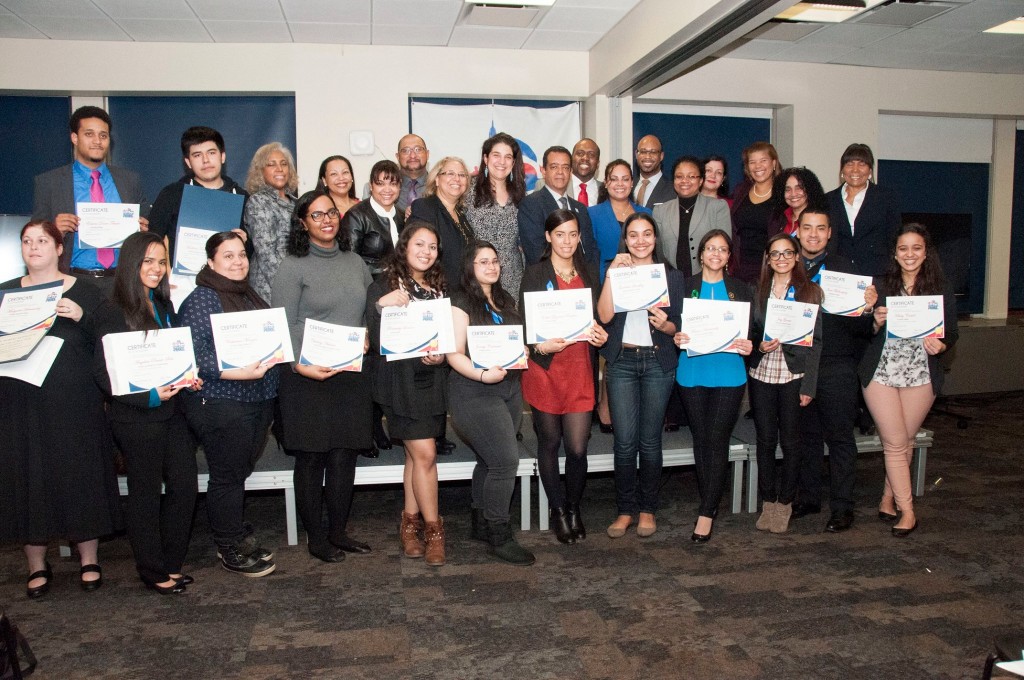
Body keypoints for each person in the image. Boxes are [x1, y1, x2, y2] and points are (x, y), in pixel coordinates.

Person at [1, 220, 122, 599]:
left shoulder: (84, 291)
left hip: (74, 401)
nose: (34, 246)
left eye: (42, 240)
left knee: (79, 473)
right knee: (28, 477)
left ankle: (89, 559)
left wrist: (83, 317)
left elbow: (112, 338)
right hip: (20, 402)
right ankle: (37, 565)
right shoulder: (5, 293)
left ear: (58, 248)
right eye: (27, 240)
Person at [271, 191, 374, 563]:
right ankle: (316, 538)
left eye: (331, 212)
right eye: (317, 215)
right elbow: (284, 322)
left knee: (345, 455)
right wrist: (299, 364)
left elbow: (365, 309)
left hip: (349, 373)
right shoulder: (292, 266)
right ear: (303, 223)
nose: (327, 219)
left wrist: (366, 333)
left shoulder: (355, 261)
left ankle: (338, 532)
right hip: (306, 375)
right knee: (312, 458)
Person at [94, 232, 199, 594]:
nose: (156, 269)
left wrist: (188, 376)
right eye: (148, 261)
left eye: (162, 262)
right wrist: (150, 396)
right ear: (131, 264)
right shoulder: (111, 311)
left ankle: (171, 562)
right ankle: (152, 570)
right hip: (136, 417)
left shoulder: (163, 305)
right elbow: (104, 373)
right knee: (145, 494)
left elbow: (172, 355)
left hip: (172, 412)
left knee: (185, 486)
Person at [178, 231, 278, 577]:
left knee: (237, 473)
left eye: (242, 255)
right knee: (227, 476)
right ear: (211, 262)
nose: (238, 262)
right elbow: (195, 356)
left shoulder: (248, 293)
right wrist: (239, 373)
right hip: (221, 402)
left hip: (256, 399)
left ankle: (234, 536)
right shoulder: (201, 300)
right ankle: (229, 547)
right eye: (228, 256)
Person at [859, 223, 958, 538]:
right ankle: (908, 511)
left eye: (916, 248)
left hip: (921, 374)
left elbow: (951, 333)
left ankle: (887, 499)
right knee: (895, 442)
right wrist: (874, 321)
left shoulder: (940, 287)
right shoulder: (880, 285)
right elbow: (862, 332)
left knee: (905, 440)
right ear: (895, 253)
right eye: (903, 248)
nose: (910, 254)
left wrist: (941, 345)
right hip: (881, 373)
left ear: (926, 252)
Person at [519, 209, 608, 544]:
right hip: (546, 369)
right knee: (549, 442)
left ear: (579, 236)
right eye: (560, 234)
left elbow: (598, 318)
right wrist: (539, 346)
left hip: (580, 368)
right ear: (548, 237)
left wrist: (601, 334)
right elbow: (524, 325)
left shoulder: (588, 271)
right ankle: (558, 511)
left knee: (577, 448)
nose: (567, 241)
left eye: (573, 234)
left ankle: (574, 507)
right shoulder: (534, 273)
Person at [445, 240, 535, 565]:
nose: (491, 266)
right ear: (469, 267)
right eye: (483, 261)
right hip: (474, 391)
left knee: (488, 460)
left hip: (509, 390)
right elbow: (453, 353)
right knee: (505, 463)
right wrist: (482, 375)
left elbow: (514, 341)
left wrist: (522, 351)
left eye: (495, 261)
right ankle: (499, 534)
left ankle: (480, 522)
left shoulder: (505, 298)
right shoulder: (459, 301)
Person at [366, 220, 449, 565]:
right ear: (404, 246)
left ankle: (409, 525)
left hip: (431, 382)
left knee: (416, 458)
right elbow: (372, 339)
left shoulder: (439, 288)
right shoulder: (383, 284)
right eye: (419, 244)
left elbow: (444, 337)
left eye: (432, 246)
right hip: (398, 384)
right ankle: (434, 532)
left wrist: (441, 355)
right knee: (426, 454)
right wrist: (381, 307)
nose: (426, 252)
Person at [597, 213, 684, 539]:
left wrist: (667, 326)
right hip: (622, 362)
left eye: (647, 234)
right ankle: (625, 510)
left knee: (649, 441)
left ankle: (647, 509)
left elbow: (679, 323)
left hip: (657, 363)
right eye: (633, 235)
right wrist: (610, 275)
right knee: (623, 442)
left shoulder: (671, 276)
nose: (640, 241)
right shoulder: (616, 273)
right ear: (625, 240)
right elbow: (604, 316)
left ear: (655, 238)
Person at [794, 207, 877, 533]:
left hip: (836, 362)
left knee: (841, 437)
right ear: (798, 230)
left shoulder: (845, 270)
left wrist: (866, 308)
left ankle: (842, 507)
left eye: (820, 228)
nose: (813, 234)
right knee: (807, 435)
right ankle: (809, 497)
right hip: (799, 362)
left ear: (829, 233)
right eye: (807, 228)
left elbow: (862, 328)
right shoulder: (788, 265)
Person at [673, 229, 753, 542]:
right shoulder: (685, 286)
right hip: (692, 371)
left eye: (722, 249)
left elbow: (750, 331)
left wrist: (749, 344)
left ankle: (707, 511)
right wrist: (677, 335)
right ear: (701, 253)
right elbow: (674, 324)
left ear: (729, 256)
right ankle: (710, 500)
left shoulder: (740, 289)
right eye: (710, 248)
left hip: (729, 373)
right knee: (701, 438)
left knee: (717, 440)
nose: (716, 254)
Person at [749, 233, 824, 535]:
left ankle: (786, 502)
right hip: (762, 373)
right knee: (765, 440)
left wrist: (809, 386)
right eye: (775, 254)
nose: (782, 259)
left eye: (788, 253)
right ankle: (769, 501)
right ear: (768, 259)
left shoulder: (810, 292)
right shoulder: (757, 291)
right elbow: (749, 332)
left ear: (796, 257)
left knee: (792, 442)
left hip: (794, 375)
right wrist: (758, 345)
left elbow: (817, 342)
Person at [31, 105, 148, 294]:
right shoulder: (49, 183)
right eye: (89, 134)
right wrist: (54, 230)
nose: (97, 141)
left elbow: (148, 232)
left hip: (122, 282)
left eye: (103, 135)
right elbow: (33, 239)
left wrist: (143, 231)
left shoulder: (130, 181)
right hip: (73, 281)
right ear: (74, 138)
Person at [148, 126, 250, 264]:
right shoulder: (172, 194)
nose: (205, 160)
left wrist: (245, 243)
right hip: (181, 276)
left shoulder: (242, 198)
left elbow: (255, 253)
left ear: (222, 156)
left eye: (211, 153)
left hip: (229, 276)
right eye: (197, 155)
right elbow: (152, 242)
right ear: (188, 162)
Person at [464, 132, 527, 299]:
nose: (502, 162)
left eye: (508, 157)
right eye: (496, 155)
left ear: (514, 162)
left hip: (513, 276)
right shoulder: (468, 189)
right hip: (477, 274)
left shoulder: (520, 194)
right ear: (485, 158)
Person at [827, 143, 901, 278]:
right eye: (849, 164)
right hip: (839, 275)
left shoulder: (886, 198)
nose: (855, 170)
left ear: (870, 171)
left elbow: (894, 238)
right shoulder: (828, 200)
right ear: (842, 170)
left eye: (862, 164)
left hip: (877, 274)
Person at [518, 145, 598, 268]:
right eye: (554, 167)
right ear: (543, 171)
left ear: (570, 172)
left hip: (584, 277)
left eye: (565, 167)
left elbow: (590, 249)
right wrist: (568, 275)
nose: (560, 172)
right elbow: (535, 253)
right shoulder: (530, 205)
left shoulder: (580, 208)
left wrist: (589, 275)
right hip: (547, 277)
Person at [653, 155, 732, 278]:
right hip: (671, 279)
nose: (685, 181)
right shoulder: (660, 211)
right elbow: (657, 250)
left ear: (701, 180)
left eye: (691, 176)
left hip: (707, 278)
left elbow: (724, 246)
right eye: (679, 176)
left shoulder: (717, 207)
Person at [244, 142, 298, 302]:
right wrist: (287, 289)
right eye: (271, 164)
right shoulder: (258, 202)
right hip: (270, 287)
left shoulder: (297, 203)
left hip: (298, 280)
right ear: (260, 171)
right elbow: (266, 253)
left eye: (284, 164)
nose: (279, 169)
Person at [410, 157, 475, 289]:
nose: (457, 179)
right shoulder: (425, 208)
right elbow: (416, 255)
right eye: (450, 173)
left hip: (463, 290)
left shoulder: (461, 214)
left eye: (462, 175)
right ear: (437, 179)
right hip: (436, 289)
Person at [590, 159, 651, 282]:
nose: (620, 184)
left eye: (625, 179)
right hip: (605, 280)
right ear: (606, 183)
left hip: (642, 280)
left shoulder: (647, 213)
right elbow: (590, 257)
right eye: (614, 179)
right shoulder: (592, 214)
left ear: (632, 183)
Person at [729, 141, 782, 283]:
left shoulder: (783, 194)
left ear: (774, 163)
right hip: (739, 268)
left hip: (770, 269)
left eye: (763, 160)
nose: (758, 166)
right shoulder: (740, 191)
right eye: (752, 162)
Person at [343, 159, 404, 279]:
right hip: (368, 284)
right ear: (371, 186)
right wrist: (386, 269)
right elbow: (349, 262)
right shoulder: (355, 216)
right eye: (380, 184)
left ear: (399, 187)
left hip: (400, 283)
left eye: (393, 184)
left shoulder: (402, 216)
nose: (387, 189)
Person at [362, 134, 430, 214]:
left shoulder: (438, 186)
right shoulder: (375, 189)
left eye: (418, 149)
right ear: (398, 156)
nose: (412, 155)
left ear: (427, 154)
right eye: (405, 151)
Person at [773, 167, 825, 237]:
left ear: (809, 189)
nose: (793, 194)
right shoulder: (777, 219)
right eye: (788, 190)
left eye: (799, 188)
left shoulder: (819, 218)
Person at [633, 135, 675, 210]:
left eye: (653, 152)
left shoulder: (674, 190)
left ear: (661, 156)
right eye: (643, 152)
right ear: (636, 154)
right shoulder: (627, 187)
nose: (647, 157)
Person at [570, 138, 601, 207]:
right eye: (580, 153)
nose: (585, 158)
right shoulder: (558, 186)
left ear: (598, 164)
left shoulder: (607, 190)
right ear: (571, 159)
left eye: (591, 155)